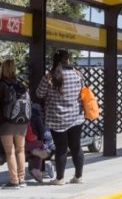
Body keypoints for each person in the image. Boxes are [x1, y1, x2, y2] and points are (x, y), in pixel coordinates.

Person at [36, 49, 85, 185]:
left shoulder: (50, 76)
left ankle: (60, 178)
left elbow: (39, 93)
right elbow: (82, 93)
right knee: (76, 147)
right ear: (67, 60)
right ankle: (78, 176)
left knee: (61, 148)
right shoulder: (77, 74)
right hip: (76, 117)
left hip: (57, 118)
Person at [0, 59, 29, 188]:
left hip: (6, 122)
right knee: (20, 150)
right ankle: (22, 178)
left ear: (2, 69)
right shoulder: (20, 84)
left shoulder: (0, 84)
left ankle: (14, 180)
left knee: (10, 151)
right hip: (22, 122)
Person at [25, 102, 52, 183]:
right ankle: (36, 169)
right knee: (41, 147)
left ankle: (36, 168)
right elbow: (42, 133)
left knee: (39, 147)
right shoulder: (37, 117)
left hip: (20, 141)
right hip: (30, 143)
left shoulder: (24, 116)